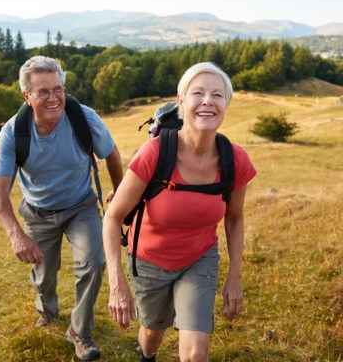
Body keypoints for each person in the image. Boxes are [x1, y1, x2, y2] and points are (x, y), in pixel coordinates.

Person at [103, 62, 256, 362]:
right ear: (181, 101)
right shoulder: (156, 152)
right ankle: (147, 356)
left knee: (197, 353)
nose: (208, 101)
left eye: (217, 94)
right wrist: (116, 282)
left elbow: (234, 218)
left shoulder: (234, 159)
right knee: (151, 334)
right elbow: (112, 216)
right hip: (148, 259)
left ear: (226, 104)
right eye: (197, 93)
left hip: (199, 258)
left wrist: (234, 276)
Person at [0, 55, 123, 361]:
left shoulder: (84, 118)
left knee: (93, 263)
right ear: (27, 96)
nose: (54, 98)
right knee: (44, 275)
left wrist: (119, 194)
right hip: (38, 212)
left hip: (81, 206)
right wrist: (16, 235)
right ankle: (47, 311)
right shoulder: (14, 132)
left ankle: (80, 331)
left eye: (58, 89)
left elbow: (112, 155)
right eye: (43, 92)